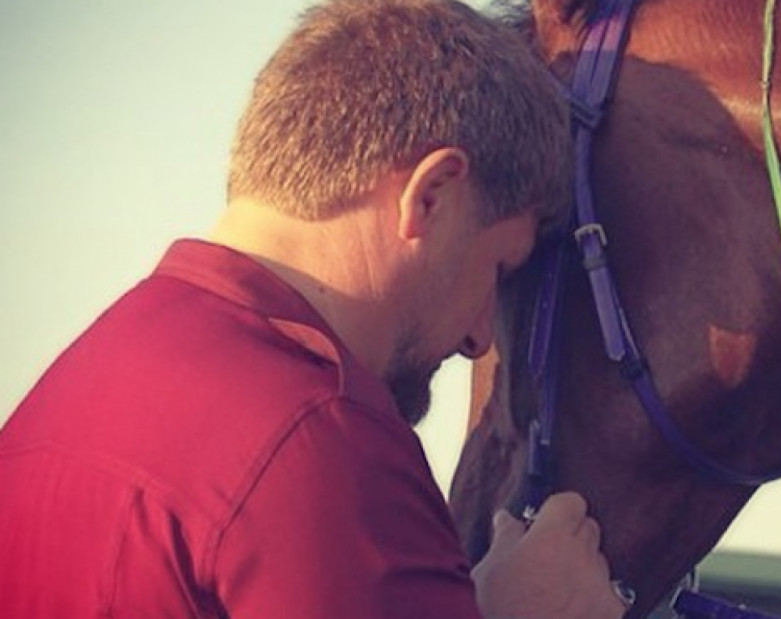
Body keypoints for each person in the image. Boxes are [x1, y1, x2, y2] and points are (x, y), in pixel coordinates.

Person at [0, 0, 628, 617]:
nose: (479, 334)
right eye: (499, 268)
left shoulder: (75, 382)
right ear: (431, 196)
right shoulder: (323, 436)